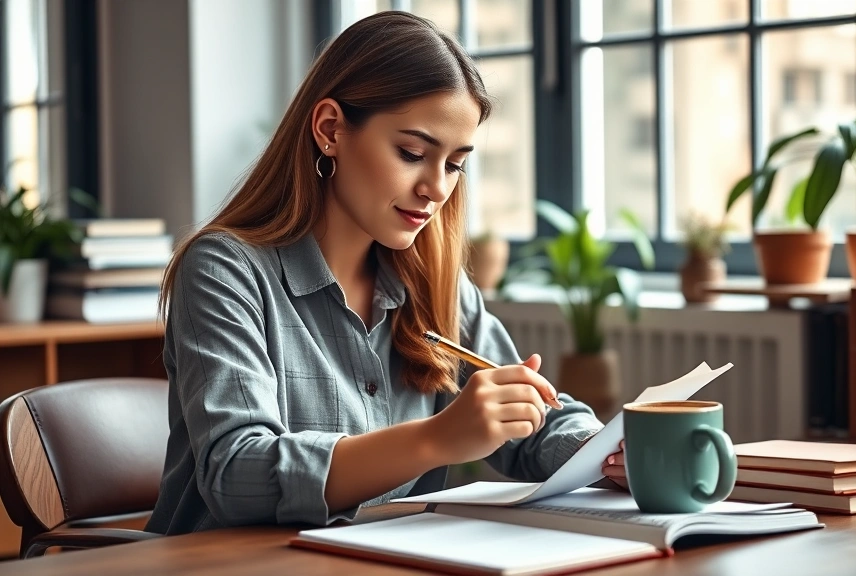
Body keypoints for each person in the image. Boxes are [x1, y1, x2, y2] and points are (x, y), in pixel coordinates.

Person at [145, 11, 628, 535]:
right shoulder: (224, 271)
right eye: (413, 153)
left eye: (455, 164)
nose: (437, 188)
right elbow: (238, 472)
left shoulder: (434, 283)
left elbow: (531, 426)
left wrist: (610, 451)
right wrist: (438, 437)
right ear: (330, 129)